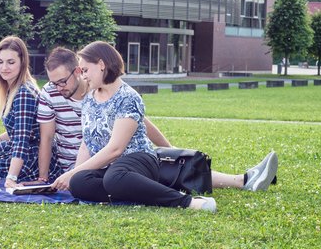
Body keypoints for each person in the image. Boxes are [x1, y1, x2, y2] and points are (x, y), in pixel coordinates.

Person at [38, 47, 278, 191]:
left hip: (126, 161)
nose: (58, 87)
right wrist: (69, 174)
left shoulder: (109, 91)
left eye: (63, 81)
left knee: (173, 170)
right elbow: (81, 141)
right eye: (54, 83)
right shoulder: (64, 94)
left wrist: (170, 149)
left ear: (81, 71)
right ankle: (245, 179)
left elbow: (139, 122)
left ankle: (244, 179)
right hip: (96, 168)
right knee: (164, 174)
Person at [51, 41, 216, 212]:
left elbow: (116, 149)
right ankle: (138, 193)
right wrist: (74, 174)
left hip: (138, 160)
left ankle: (186, 201)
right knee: (79, 183)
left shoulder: (128, 98)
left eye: (85, 70)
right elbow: (87, 143)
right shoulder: (89, 99)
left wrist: (70, 173)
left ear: (101, 64)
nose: (83, 76)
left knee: (113, 178)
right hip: (111, 170)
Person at [0, 36, 59, 188]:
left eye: (11, 62)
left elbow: (22, 139)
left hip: (30, 157)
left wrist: (11, 177)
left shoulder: (24, 93)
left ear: (22, 62)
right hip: (17, 147)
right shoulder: (12, 89)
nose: (4, 68)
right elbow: (18, 129)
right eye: (0, 62)